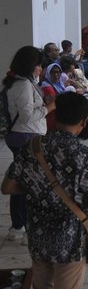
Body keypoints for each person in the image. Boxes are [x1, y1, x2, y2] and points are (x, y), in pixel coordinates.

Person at [1, 92, 88, 289]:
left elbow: (7, 187)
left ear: (55, 115)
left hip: (38, 235)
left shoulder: (33, 146)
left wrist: (38, 188)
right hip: (70, 242)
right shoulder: (83, 154)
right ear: (84, 121)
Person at [3, 46, 56, 243]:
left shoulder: (24, 83)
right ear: (30, 66)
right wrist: (48, 108)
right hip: (26, 137)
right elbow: (26, 116)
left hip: (27, 135)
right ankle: (20, 224)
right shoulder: (23, 84)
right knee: (27, 183)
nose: (41, 69)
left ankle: (21, 224)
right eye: (38, 65)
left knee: (26, 181)